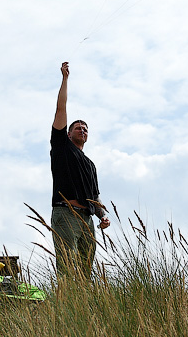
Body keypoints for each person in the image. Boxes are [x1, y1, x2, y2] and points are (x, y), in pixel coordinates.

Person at [50, 62, 111, 280]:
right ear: (68, 133)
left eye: (85, 129)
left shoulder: (90, 164)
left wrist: (102, 216)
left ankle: (83, 309)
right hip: (66, 214)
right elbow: (61, 109)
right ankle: (63, 304)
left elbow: (94, 195)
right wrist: (65, 80)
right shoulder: (61, 147)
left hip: (87, 219)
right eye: (78, 127)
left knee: (86, 272)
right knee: (67, 267)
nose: (82, 130)